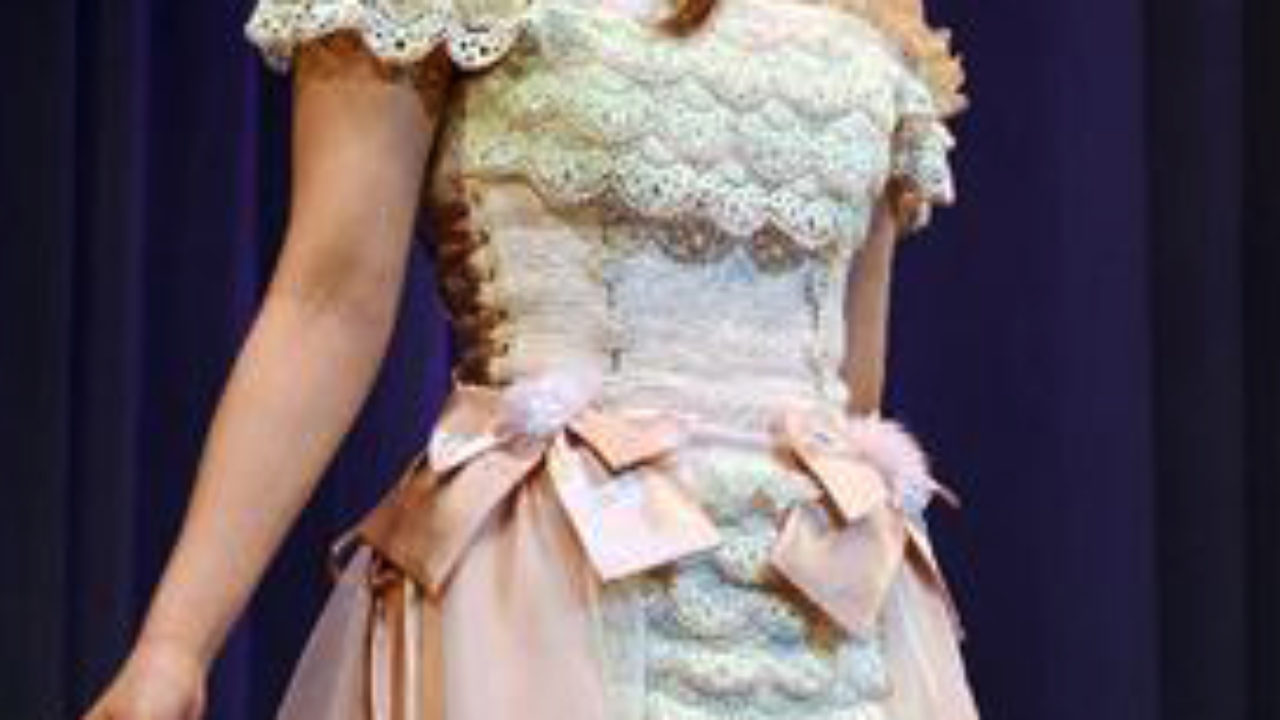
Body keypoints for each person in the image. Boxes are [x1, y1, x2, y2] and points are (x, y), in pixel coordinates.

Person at [84, 0, 977, 716]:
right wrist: (175, 648)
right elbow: (328, 301)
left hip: (822, 610)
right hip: (553, 582)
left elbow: (848, 380)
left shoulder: (873, 15)